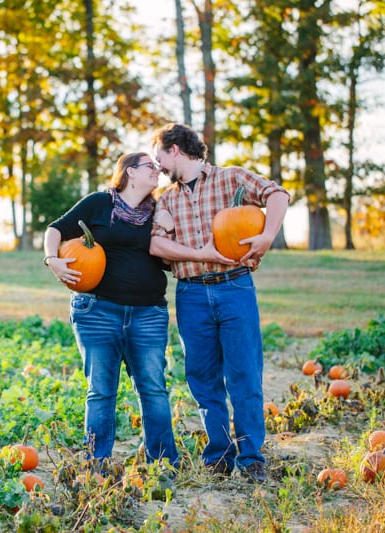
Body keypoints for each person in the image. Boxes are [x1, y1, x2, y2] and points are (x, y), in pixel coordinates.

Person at [148, 123, 290, 483]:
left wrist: (267, 236)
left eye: (159, 156)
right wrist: (198, 252)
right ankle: (219, 454)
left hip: (234, 289)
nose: (158, 165)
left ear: (175, 149)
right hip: (191, 293)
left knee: (244, 374)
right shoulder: (166, 201)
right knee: (202, 377)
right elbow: (156, 246)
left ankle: (251, 457)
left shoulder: (232, 179)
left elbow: (278, 195)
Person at [43, 152, 179, 470]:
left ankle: (163, 464)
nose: (157, 171)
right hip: (98, 311)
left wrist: (171, 230)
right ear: (130, 172)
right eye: (150, 166)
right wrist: (52, 260)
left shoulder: (160, 209)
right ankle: (97, 465)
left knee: (153, 388)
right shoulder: (99, 203)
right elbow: (55, 230)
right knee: (102, 390)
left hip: (148, 313)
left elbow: (170, 259)